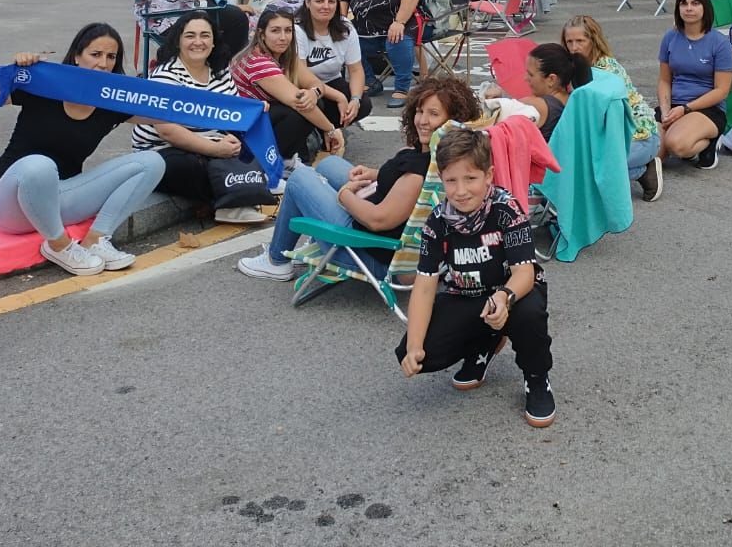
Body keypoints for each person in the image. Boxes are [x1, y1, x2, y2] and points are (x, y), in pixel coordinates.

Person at [0, 23, 166, 276]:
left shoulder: (112, 103)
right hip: (10, 207)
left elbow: (173, 113)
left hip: (60, 202)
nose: (103, 63)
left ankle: (96, 239)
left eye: (111, 57)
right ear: (77, 56)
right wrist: (8, 69)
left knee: (152, 162)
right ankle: (58, 245)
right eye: (95, 54)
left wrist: (221, 112)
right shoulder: (43, 88)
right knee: (40, 165)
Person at [236, 76, 481, 281]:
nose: (422, 120)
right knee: (330, 163)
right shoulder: (442, 159)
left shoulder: (417, 175)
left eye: (434, 114)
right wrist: (376, 174)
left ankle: (276, 260)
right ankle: (311, 240)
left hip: (370, 252)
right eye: (419, 111)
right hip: (378, 230)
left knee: (300, 178)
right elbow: (399, 187)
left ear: (452, 121)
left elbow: (378, 220)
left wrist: (345, 195)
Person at [397, 125, 555, 429]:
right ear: (441, 180)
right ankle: (486, 342)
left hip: (511, 292)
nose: (460, 190)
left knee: (529, 313)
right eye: (451, 180)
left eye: (470, 178)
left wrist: (504, 297)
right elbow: (425, 286)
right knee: (414, 353)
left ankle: (537, 378)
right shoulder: (437, 222)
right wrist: (415, 344)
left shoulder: (507, 209)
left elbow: (525, 270)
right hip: (465, 296)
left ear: (489, 175)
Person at [131, 11, 265, 223]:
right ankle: (228, 203)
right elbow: (168, 131)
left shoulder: (220, 72)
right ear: (178, 41)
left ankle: (240, 194)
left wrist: (234, 139)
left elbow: (234, 117)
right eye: (190, 36)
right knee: (191, 166)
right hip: (163, 150)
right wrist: (215, 149)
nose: (198, 42)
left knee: (251, 143)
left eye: (205, 35)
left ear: (214, 42)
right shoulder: (165, 76)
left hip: (210, 144)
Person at [561, 15, 661, 201]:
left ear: (593, 41)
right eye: (569, 41)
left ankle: (643, 170)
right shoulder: (574, 67)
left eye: (580, 41)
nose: (574, 47)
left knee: (590, 170)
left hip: (638, 135)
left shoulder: (607, 70)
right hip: (610, 135)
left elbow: (604, 119)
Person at [231, 7, 345, 165]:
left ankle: (291, 157)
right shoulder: (258, 61)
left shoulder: (284, 55)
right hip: (242, 130)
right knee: (299, 112)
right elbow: (298, 102)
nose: (283, 37)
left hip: (258, 119)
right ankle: (273, 163)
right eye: (275, 31)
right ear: (262, 34)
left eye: (288, 30)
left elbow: (314, 82)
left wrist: (315, 92)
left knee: (313, 101)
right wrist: (330, 129)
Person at [657, 0, 732, 169]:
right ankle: (678, 133)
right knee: (651, 149)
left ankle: (709, 142)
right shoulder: (670, 37)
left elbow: (722, 90)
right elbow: (664, 80)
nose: (689, 8)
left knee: (676, 144)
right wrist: (666, 109)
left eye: (695, 3)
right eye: (684, 4)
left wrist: (685, 109)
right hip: (675, 105)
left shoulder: (719, 43)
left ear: (705, 7)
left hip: (707, 108)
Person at [294, 0, 372, 129]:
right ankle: (321, 131)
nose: (326, 6)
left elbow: (355, 70)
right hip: (305, 84)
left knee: (363, 103)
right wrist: (339, 97)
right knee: (316, 101)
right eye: (319, 1)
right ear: (307, 2)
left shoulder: (346, 27)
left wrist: (355, 99)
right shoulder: (297, 30)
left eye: (331, 1)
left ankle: (331, 129)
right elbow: (302, 76)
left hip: (332, 80)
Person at [512, 43, 591, 142]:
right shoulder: (575, 99)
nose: (526, 78)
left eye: (531, 74)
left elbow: (495, 116)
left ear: (551, 79)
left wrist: (492, 99)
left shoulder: (536, 105)